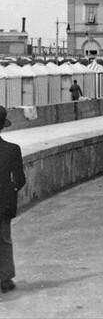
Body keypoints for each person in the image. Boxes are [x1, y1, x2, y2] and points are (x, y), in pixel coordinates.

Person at [0, 106, 27, 294]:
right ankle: (5, 278)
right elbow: (20, 180)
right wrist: (10, 192)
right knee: (4, 240)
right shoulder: (12, 149)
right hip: (3, 203)